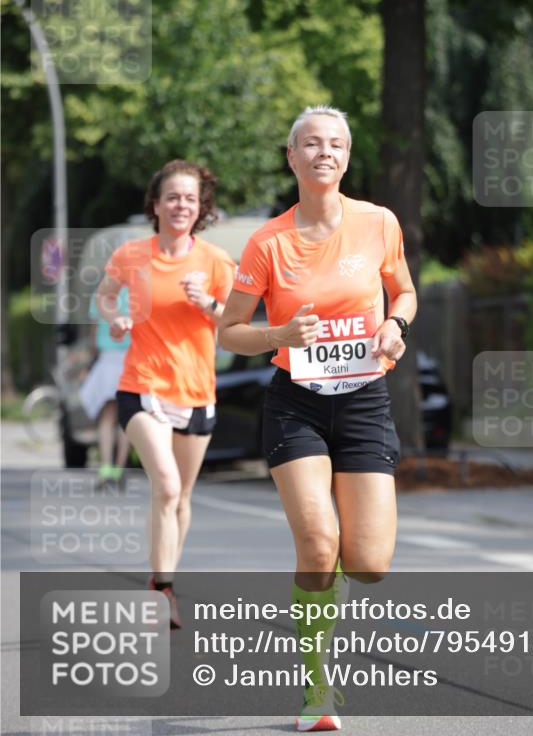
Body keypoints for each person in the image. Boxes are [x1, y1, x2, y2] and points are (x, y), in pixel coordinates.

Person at [218, 106, 417, 732]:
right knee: (318, 541)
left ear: (347, 156)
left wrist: (395, 324)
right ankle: (316, 688)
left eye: (335, 144)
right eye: (311, 144)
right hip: (296, 402)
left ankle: (327, 590)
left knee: (368, 563)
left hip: (364, 401)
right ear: (292, 157)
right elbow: (230, 332)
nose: (323, 152)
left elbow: (405, 291)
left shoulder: (379, 223)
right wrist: (280, 331)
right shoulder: (267, 242)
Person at [95, 159, 235, 627]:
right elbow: (103, 295)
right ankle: (163, 589)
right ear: (155, 205)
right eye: (172, 197)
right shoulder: (132, 254)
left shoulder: (215, 262)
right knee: (167, 485)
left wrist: (208, 304)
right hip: (142, 385)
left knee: (182, 497)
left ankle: (164, 577)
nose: (181, 205)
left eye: (190, 199)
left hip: (196, 390)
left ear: (201, 208)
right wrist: (114, 317)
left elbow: (237, 326)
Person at [79, 287, 131, 487]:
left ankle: (105, 467)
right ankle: (120, 468)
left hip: (108, 359)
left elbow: (93, 332)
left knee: (107, 417)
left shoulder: (101, 293)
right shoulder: (138, 292)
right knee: (126, 417)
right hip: (130, 358)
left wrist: (92, 360)